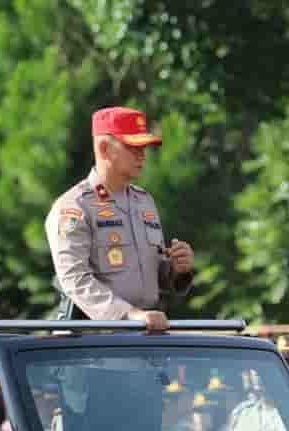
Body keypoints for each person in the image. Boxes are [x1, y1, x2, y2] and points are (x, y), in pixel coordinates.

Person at [46, 107, 193, 327]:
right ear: (104, 148)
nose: (142, 155)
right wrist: (128, 315)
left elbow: (153, 277)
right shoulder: (74, 206)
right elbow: (75, 280)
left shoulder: (144, 202)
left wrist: (177, 269)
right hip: (91, 340)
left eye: (143, 147)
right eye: (133, 147)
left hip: (144, 330)